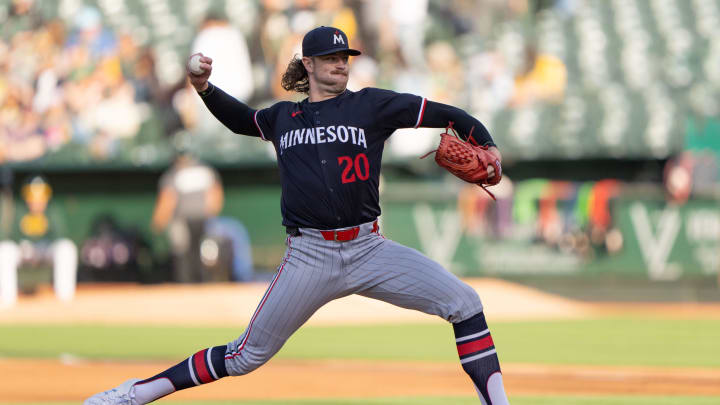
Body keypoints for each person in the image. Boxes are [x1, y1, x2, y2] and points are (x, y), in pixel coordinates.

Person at [85, 26, 510, 405]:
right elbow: (240, 120)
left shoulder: (372, 106)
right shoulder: (282, 117)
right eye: (329, 58)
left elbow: (447, 114)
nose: (339, 65)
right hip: (310, 256)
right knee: (243, 356)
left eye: (344, 58)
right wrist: (203, 88)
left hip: (369, 248)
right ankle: (135, 393)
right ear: (307, 64)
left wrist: (487, 143)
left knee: (464, 303)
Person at [151, 151, 224, 283]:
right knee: (202, 253)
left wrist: (159, 221)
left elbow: (168, 199)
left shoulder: (175, 173)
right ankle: (202, 284)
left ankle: (187, 285)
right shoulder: (206, 170)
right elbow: (215, 196)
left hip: (184, 219)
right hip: (203, 217)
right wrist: (212, 213)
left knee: (184, 254)